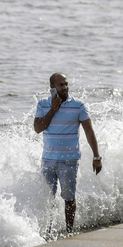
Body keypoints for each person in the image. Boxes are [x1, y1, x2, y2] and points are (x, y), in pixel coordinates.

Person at [34, 72, 102, 234]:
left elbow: (89, 131)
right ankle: (47, 231)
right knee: (47, 199)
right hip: (48, 160)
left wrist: (96, 157)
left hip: (69, 161)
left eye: (66, 84)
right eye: (60, 85)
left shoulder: (78, 105)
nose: (65, 87)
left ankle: (69, 232)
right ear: (52, 87)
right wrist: (52, 110)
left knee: (69, 198)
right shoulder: (43, 104)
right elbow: (38, 129)